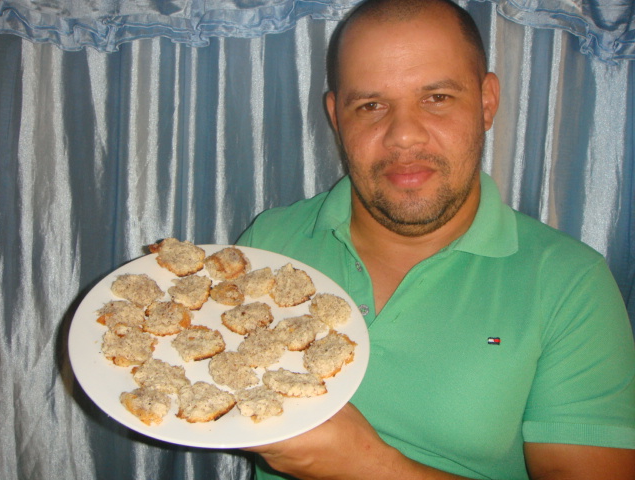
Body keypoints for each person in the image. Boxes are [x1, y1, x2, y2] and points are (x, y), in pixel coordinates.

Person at [236, 0, 635, 478]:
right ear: (336, 117)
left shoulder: (571, 284)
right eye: (371, 105)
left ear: (487, 101)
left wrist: (366, 466)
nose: (403, 135)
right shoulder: (268, 242)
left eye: (437, 98)